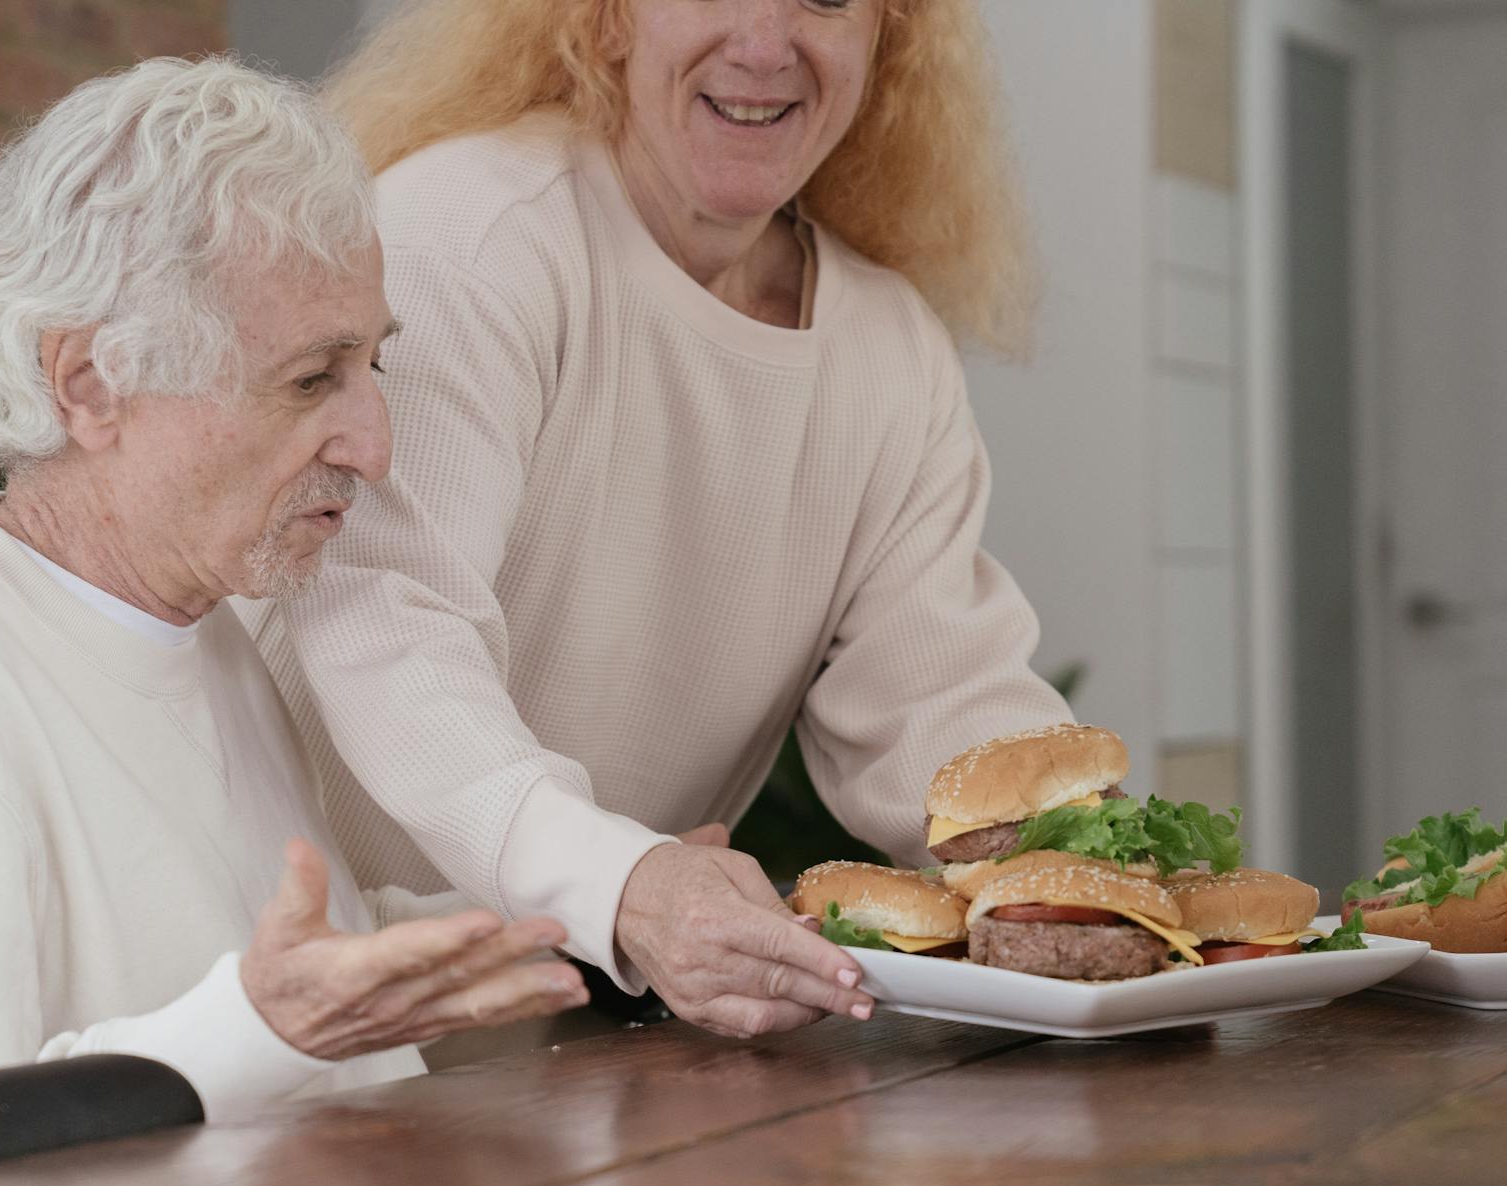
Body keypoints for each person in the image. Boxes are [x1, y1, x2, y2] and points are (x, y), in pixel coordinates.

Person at [0, 57, 588, 1122]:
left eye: (374, 364)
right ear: (92, 385)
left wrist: (596, 903)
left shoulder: (201, 623)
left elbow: (257, 957)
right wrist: (261, 1028)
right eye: (310, 378)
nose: (376, 445)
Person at [240, 0, 1071, 1039]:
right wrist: (623, 885)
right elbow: (385, 627)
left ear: (887, 40)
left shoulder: (891, 351)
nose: (766, 46)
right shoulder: (465, 235)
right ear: (606, 18)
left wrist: (1099, 873)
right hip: (311, 1011)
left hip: (584, 1031)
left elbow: (938, 700)